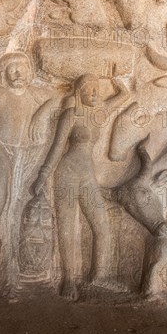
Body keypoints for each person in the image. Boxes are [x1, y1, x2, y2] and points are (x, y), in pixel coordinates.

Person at [29, 73, 129, 301]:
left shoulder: (100, 113)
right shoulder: (71, 115)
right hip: (67, 173)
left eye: (97, 89)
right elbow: (56, 148)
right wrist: (43, 175)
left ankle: (97, 276)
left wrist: (114, 75)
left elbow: (125, 95)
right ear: (78, 93)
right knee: (67, 226)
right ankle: (68, 278)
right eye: (89, 90)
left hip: (87, 175)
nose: (94, 93)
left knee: (101, 224)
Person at [0, 52, 57, 291]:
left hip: (30, 156)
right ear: (4, 74)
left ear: (30, 72)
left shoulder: (37, 94)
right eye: (12, 69)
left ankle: (12, 266)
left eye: (22, 68)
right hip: (2, 156)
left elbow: (60, 99)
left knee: (15, 208)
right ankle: (6, 266)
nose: (17, 73)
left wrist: (43, 111)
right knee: (6, 208)